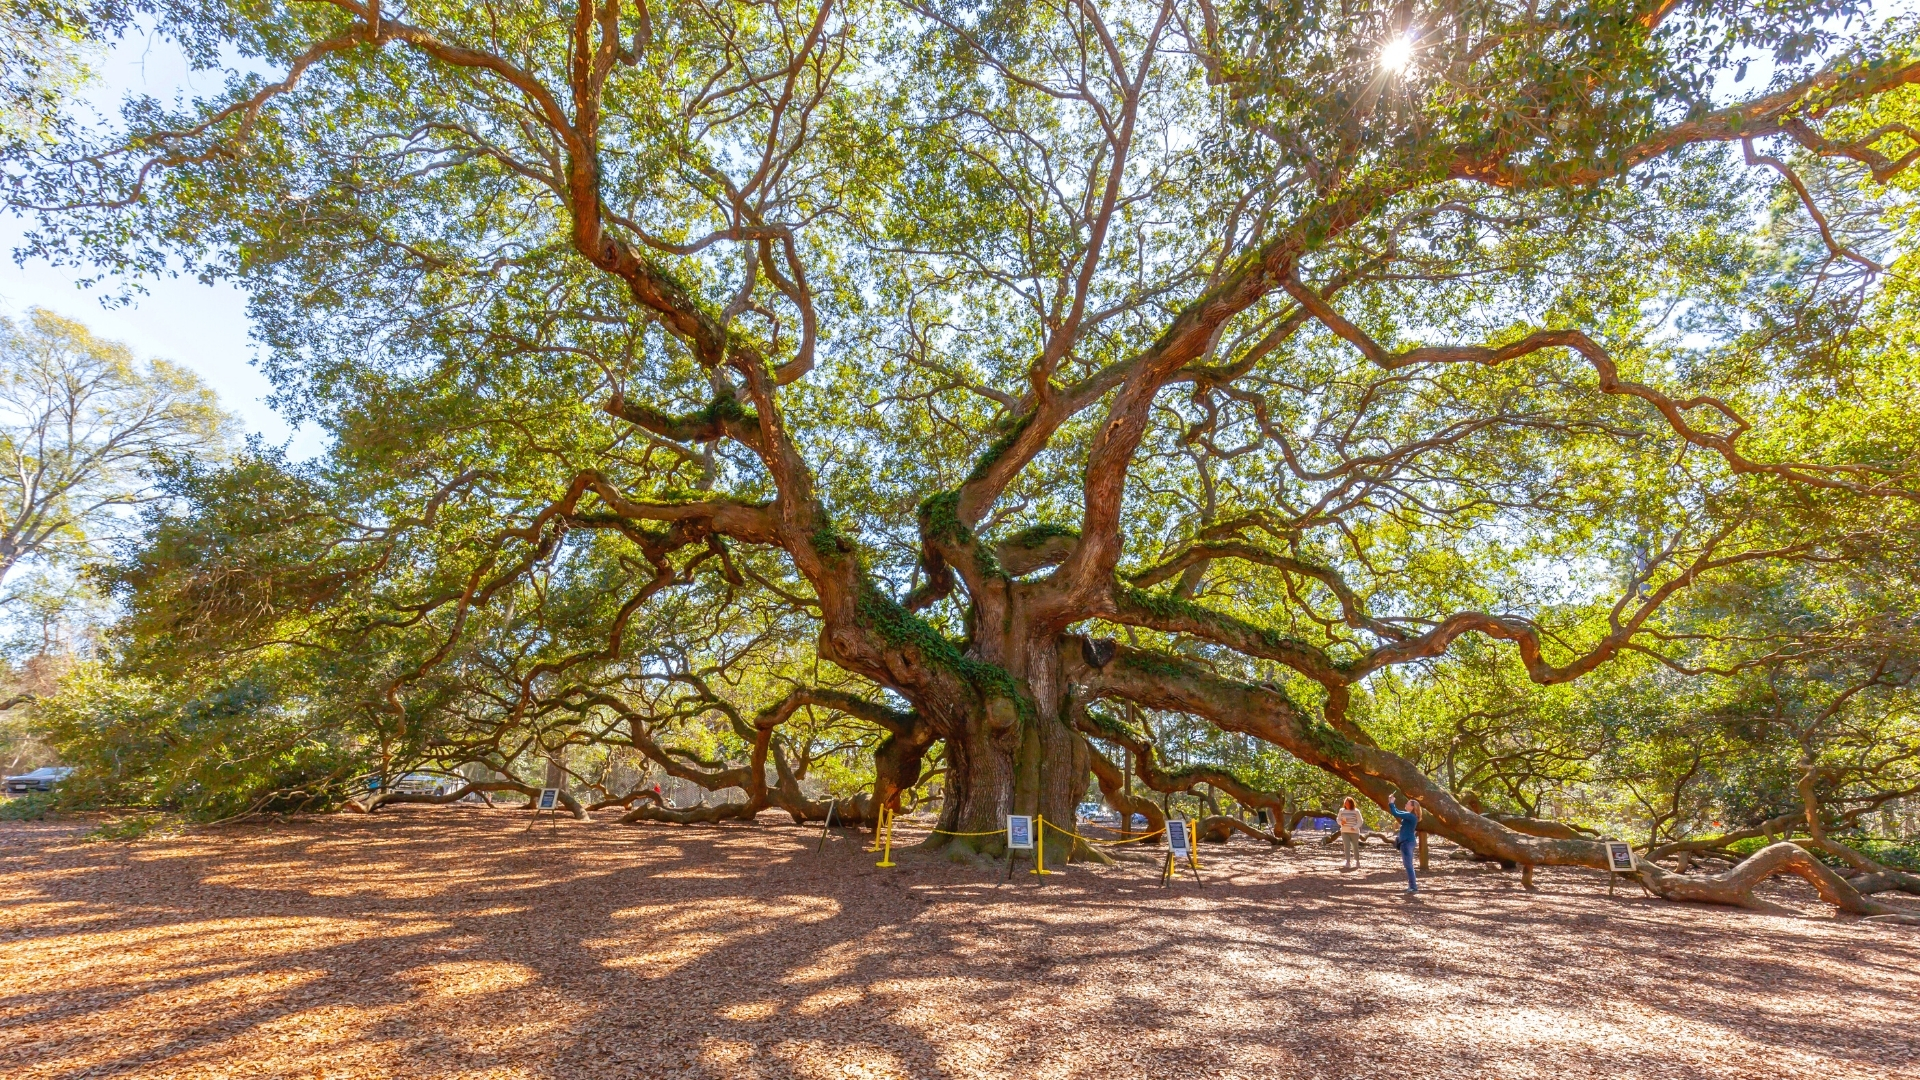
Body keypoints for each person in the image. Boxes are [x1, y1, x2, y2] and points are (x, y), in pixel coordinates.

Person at [1387, 794, 1422, 893]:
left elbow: (1395, 812)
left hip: (1407, 843)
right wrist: (1391, 802)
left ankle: (1413, 887)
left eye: (1408, 803)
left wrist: (1391, 803)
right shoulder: (1409, 815)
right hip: (1406, 842)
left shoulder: (1411, 816)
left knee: (1409, 865)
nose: (1406, 804)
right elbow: (1397, 812)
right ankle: (1412, 886)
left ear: (1412, 807)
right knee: (1408, 865)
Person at [1336, 797, 1364, 870]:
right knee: (1346, 846)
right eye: (1345, 803)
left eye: (1348, 803)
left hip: (1354, 832)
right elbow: (1338, 819)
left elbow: (1360, 821)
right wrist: (1341, 822)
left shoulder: (1356, 811)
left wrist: (1355, 827)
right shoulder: (1341, 811)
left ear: (1351, 803)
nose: (1346, 804)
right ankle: (1348, 861)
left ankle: (1357, 861)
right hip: (1344, 831)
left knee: (1355, 846)